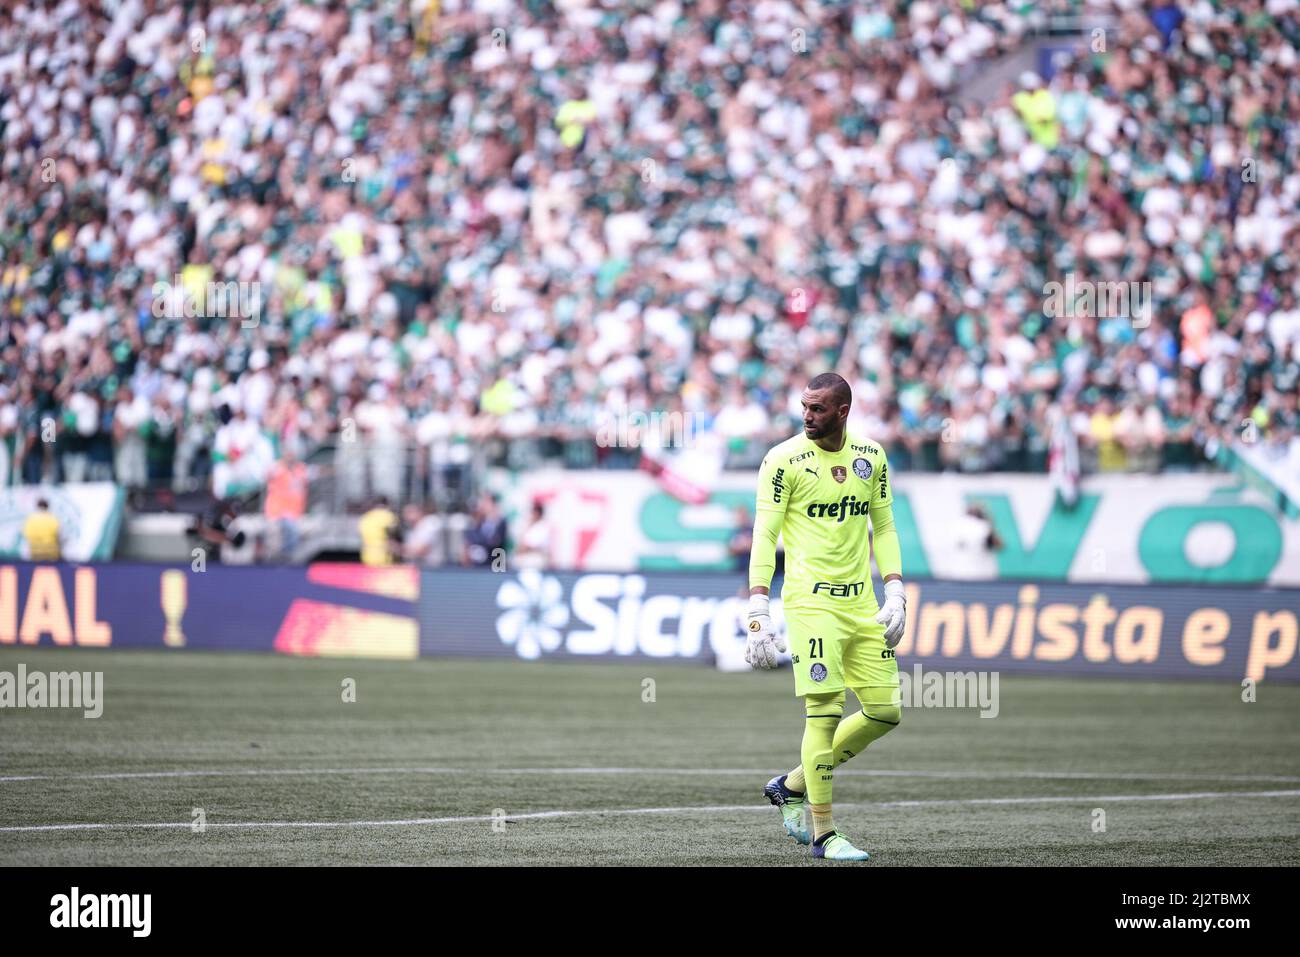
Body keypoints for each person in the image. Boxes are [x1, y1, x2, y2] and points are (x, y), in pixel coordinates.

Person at [747, 372, 908, 862]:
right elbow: (764, 534)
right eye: (803, 406)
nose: (807, 415)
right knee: (825, 711)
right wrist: (758, 608)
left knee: (885, 710)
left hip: (862, 605)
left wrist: (896, 590)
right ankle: (823, 835)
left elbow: (883, 526)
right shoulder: (782, 459)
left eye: (817, 408)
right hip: (810, 601)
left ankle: (791, 785)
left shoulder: (872, 457)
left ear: (842, 411)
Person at [358, 496, 399, 566]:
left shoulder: (365, 517)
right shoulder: (388, 516)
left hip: (367, 554)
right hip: (384, 554)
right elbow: (392, 534)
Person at [23, 497, 62, 561]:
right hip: (51, 553)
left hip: (35, 552)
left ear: (37, 506)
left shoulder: (31, 520)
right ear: (47, 507)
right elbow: (59, 536)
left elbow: (26, 536)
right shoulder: (53, 519)